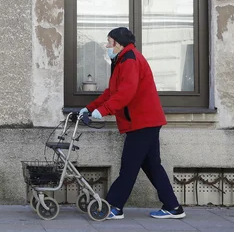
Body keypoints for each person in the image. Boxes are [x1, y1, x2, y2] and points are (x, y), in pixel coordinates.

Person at [80, 27, 186, 220]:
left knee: (128, 167)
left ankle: (113, 206)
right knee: (153, 166)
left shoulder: (130, 60)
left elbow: (125, 93)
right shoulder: (122, 60)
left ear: (118, 44)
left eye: (109, 42)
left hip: (142, 122)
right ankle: (173, 206)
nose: (106, 45)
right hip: (145, 121)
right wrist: (89, 108)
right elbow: (111, 92)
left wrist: (102, 111)